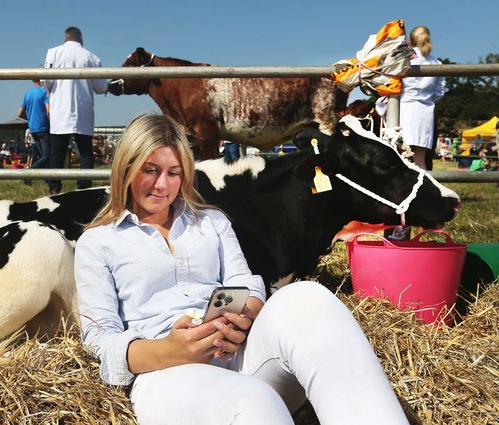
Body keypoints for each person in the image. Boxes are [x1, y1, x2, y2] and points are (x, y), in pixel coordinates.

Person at [74, 114, 409, 424]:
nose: (163, 185)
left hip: (237, 353)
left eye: (173, 172)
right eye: (150, 170)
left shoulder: (212, 222)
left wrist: (241, 317)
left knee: (309, 297)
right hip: (164, 372)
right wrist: (168, 349)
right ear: (125, 168)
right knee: (252, 399)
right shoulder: (98, 243)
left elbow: (247, 286)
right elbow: (99, 340)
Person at [43, 26, 109, 194]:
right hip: (83, 110)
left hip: (60, 110)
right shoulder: (92, 57)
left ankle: (54, 188)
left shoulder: (53, 53)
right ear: (81, 39)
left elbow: (46, 81)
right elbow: (101, 88)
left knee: (57, 152)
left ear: (65, 38)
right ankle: (84, 189)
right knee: (85, 151)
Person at [400, 26, 446, 170]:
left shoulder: (403, 60)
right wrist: (427, 99)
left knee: (401, 159)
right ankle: (422, 192)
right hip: (425, 112)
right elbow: (440, 92)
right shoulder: (436, 63)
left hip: (404, 110)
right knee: (420, 161)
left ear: (409, 41)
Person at [18, 80, 50, 185]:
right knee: (46, 156)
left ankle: (47, 180)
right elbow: (48, 110)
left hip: (32, 129)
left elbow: (19, 113)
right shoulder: (44, 92)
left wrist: (30, 119)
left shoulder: (28, 94)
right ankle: (29, 173)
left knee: (42, 156)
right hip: (43, 127)